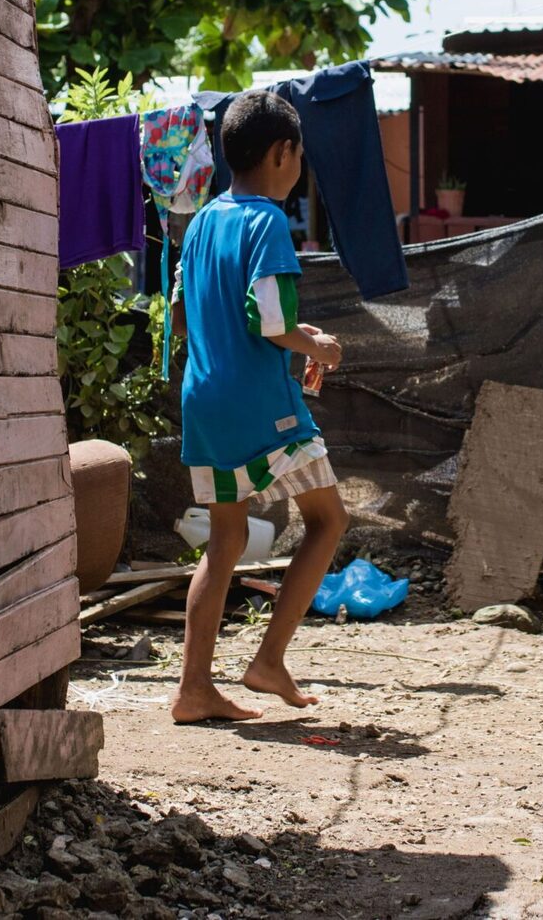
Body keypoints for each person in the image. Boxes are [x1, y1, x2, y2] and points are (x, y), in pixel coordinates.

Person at [171, 91, 350, 723]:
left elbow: (182, 315)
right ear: (283, 153)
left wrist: (275, 346)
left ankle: (194, 689)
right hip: (262, 408)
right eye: (300, 153)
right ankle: (269, 659)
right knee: (328, 521)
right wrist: (318, 346)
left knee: (225, 539)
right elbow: (271, 319)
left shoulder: (202, 223)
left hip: (206, 400)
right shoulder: (267, 220)